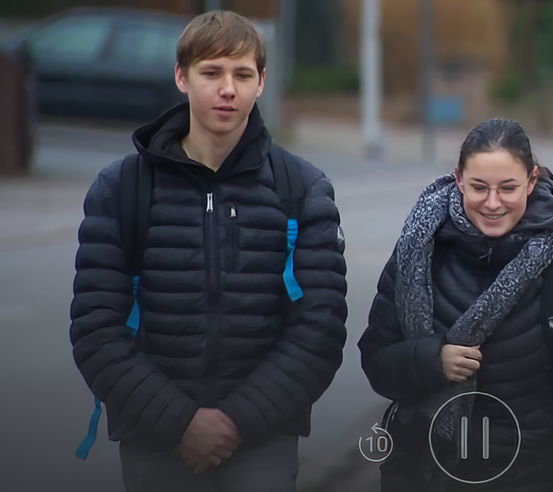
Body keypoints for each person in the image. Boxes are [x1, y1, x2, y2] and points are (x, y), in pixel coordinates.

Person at [69, 11, 347, 492]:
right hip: (154, 437)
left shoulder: (302, 188)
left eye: (242, 75)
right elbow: (96, 329)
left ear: (261, 83)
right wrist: (179, 422)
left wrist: (238, 421)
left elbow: (320, 329)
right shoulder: (122, 188)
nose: (228, 89)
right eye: (211, 72)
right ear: (182, 76)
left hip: (263, 438)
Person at [358, 118, 553, 491]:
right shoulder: (417, 254)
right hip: (424, 475)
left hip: (529, 477)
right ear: (459, 180)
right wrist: (433, 360)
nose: (492, 203)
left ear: (531, 182)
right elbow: (377, 361)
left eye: (508, 188)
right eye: (479, 187)